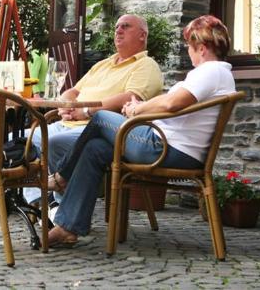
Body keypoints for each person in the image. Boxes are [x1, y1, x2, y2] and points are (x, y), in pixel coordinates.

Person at [45, 15, 237, 247]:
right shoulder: (215, 73)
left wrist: (137, 109)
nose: (189, 51)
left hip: (166, 149)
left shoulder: (211, 71)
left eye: (189, 46)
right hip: (164, 145)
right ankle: (68, 227)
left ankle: (61, 177)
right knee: (95, 149)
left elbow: (171, 103)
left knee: (101, 116)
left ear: (203, 48)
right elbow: (170, 101)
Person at [22, 14, 163, 205]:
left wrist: (86, 110)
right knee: (22, 139)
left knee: (55, 142)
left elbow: (131, 98)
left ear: (142, 35)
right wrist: (65, 106)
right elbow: (72, 91)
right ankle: (38, 200)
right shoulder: (103, 64)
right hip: (69, 122)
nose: (118, 30)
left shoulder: (146, 65)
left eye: (126, 26)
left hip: (101, 130)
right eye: (116, 27)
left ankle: (59, 205)